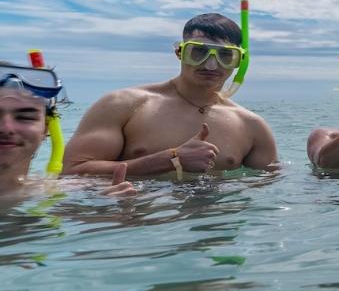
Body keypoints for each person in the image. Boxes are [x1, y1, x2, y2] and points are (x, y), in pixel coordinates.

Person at [63, 13, 278, 177]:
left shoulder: (252, 126)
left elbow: (270, 189)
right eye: (199, 52)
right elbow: (72, 174)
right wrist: (170, 160)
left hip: (214, 228)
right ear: (180, 52)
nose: (212, 64)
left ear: (239, 62)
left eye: (225, 56)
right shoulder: (123, 105)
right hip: (137, 226)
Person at [2, 61, 135, 199]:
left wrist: (105, 209)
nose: (6, 128)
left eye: (25, 117)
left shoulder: (70, 194)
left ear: (45, 129)